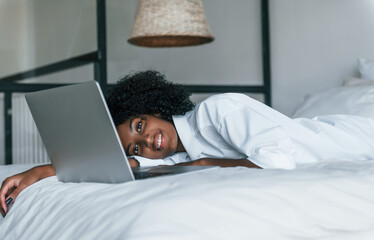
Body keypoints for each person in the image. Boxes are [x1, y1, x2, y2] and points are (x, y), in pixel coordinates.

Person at [2, 70, 374, 216]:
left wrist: (205, 167)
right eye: (136, 145)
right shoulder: (172, 156)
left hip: (353, 138)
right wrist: (45, 170)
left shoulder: (217, 110)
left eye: (139, 124)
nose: (147, 141)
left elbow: (277, 162)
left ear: (152, 108)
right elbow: (128, 167)